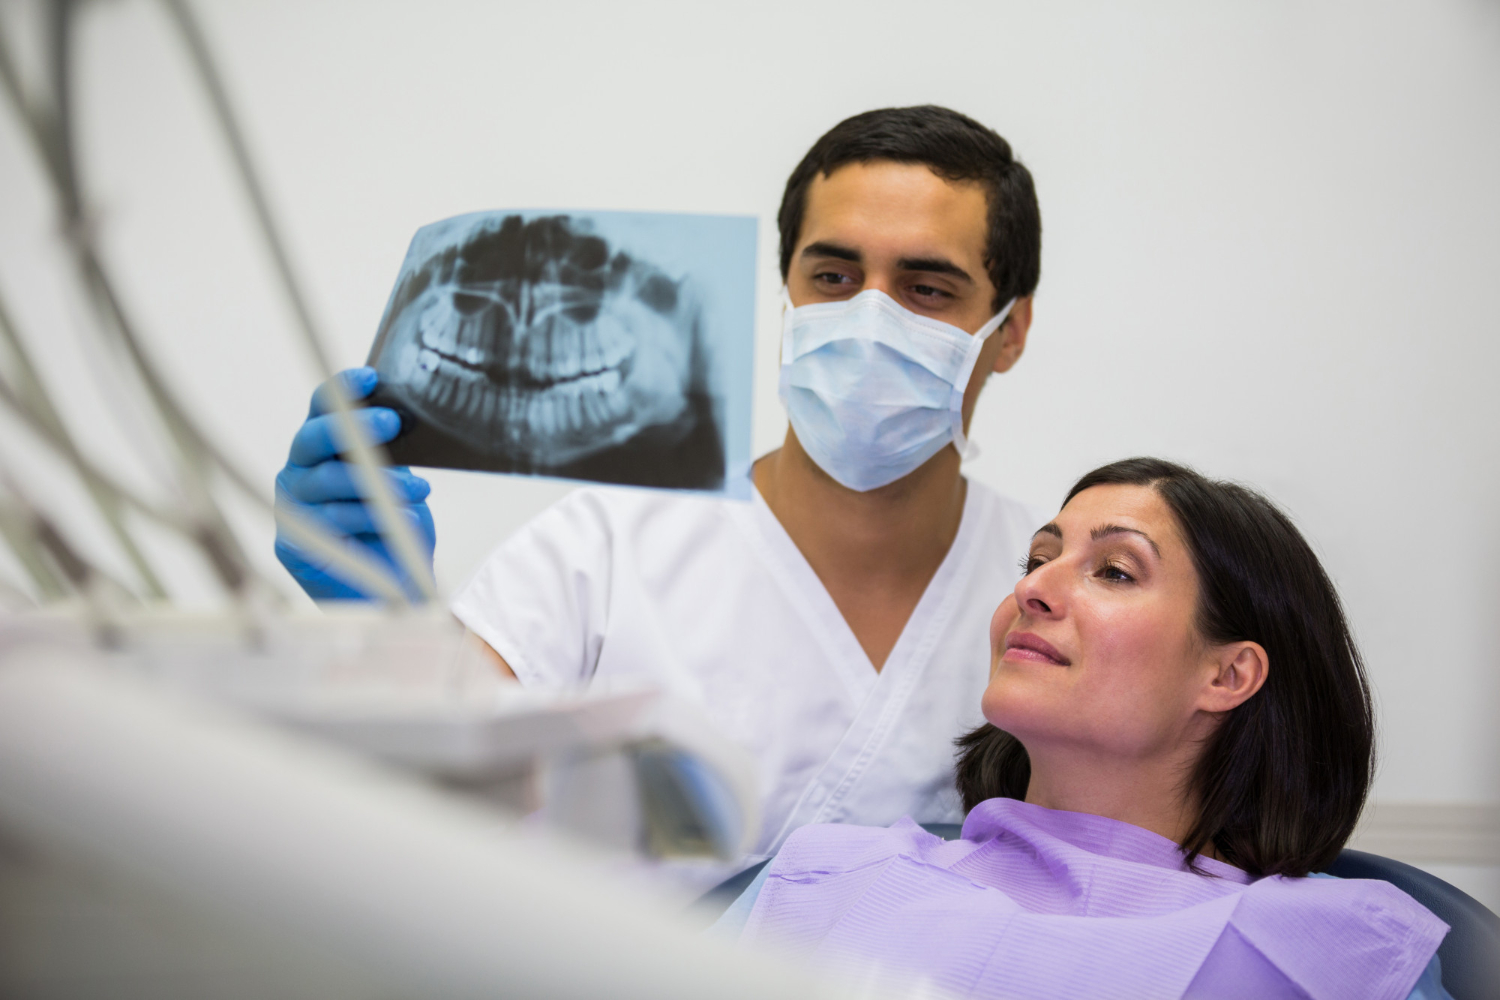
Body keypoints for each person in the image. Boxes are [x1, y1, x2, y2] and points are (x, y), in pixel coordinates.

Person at [274, 105, 1044, 886]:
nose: (868, 319)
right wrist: (384, 616)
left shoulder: (1046, 595)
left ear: (1009, 330)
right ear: (787, 294)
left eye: (926, 289)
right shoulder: (602, 550)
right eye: (834, 278)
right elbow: (432, 807)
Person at [717, 458, 1452, 1000]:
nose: (1031, 587)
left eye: (1115, 571)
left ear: (1227, 676)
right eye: (1038, 559)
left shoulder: (1334, 957)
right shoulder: (821, 879)